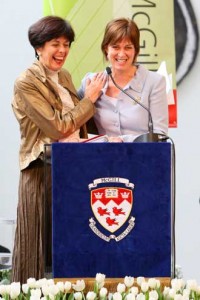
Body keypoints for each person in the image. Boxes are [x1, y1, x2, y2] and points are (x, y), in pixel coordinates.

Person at [11, 15, 106, 283]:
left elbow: (77, 126)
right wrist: (90, 99)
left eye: (66, 44)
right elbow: (59, 127)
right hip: (42, 170)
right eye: (55, 44)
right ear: (39, 47)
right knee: (39, 248)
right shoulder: (26, 82)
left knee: (70, 242)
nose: (62, 50)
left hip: (71, 168)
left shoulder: (63, 75)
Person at [78, 18, 168, 142]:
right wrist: (88, 99)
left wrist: (122, 140)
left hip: (143, 158)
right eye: (115, 47)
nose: (121, 54)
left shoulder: (155, 82)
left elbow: (160, 135)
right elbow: (75, 127)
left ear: (136, 50)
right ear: (106, 49)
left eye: (128, 47)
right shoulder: (90, 82)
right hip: (101, 158)